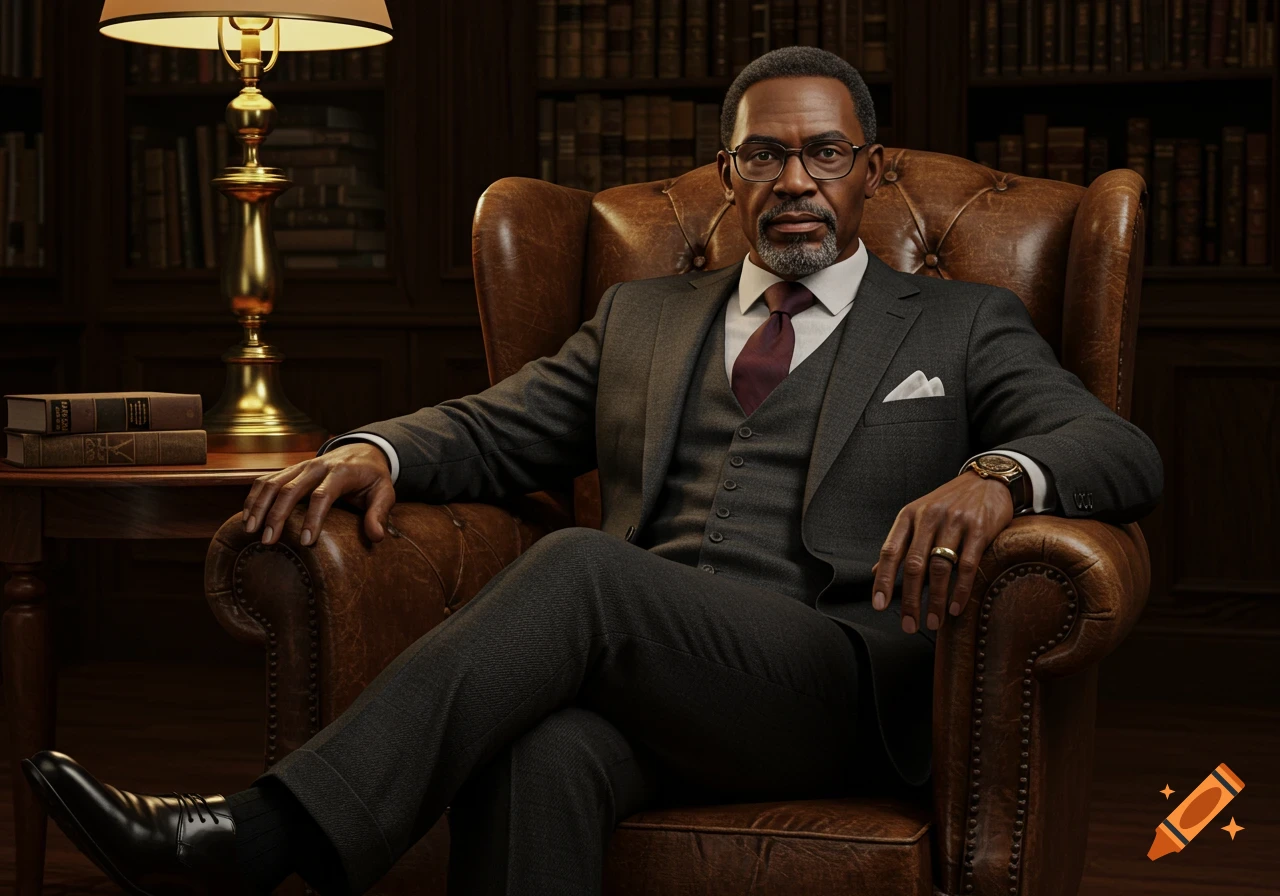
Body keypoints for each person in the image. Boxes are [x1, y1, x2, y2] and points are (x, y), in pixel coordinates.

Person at [23, 46, 1162, 896]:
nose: (795, 180)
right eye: (764, 154)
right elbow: (494, 427)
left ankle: (260, 834)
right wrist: (374, 447)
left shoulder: (960, 322)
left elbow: (1117, 448)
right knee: (542, 753)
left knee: (578, 567)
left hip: (833, 681)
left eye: (823, 153)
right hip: (648, 682)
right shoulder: (640, 317)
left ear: (865, 170)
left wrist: (999, 473)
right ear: (728, 173)